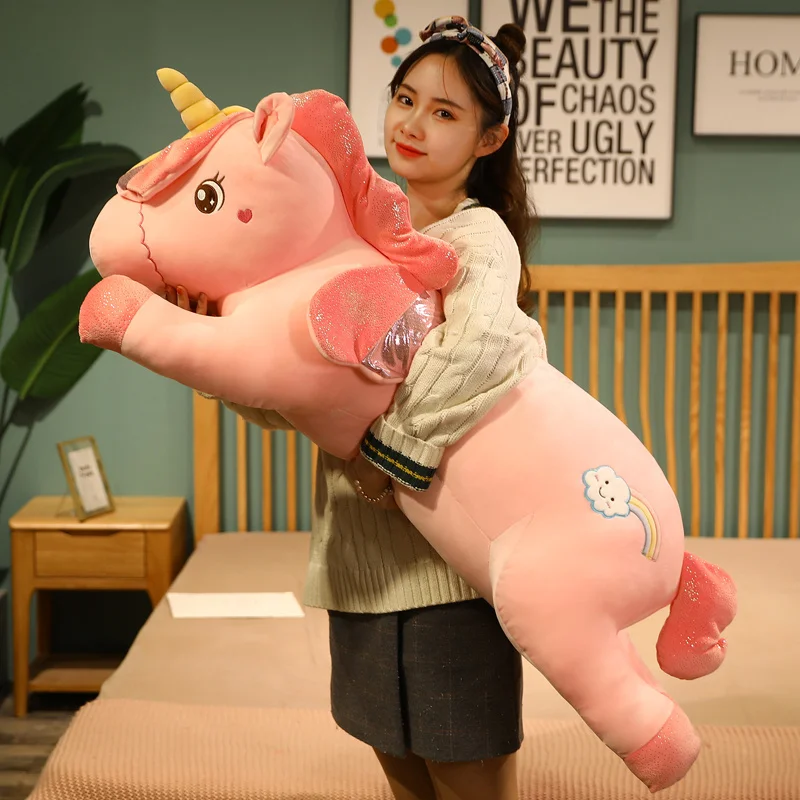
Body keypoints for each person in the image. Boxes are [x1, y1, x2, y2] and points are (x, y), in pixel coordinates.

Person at [170, 16, 548, 800]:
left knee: (467, 778)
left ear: (489, 139)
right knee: (401, 778)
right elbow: (305, 393)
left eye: (444, 112)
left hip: (452, 571)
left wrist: (388, 461)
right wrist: (213, 354)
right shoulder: (354, 240)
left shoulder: (478, 240)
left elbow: (476, 352)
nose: (411, 123)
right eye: (405, 99)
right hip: (358, 567)